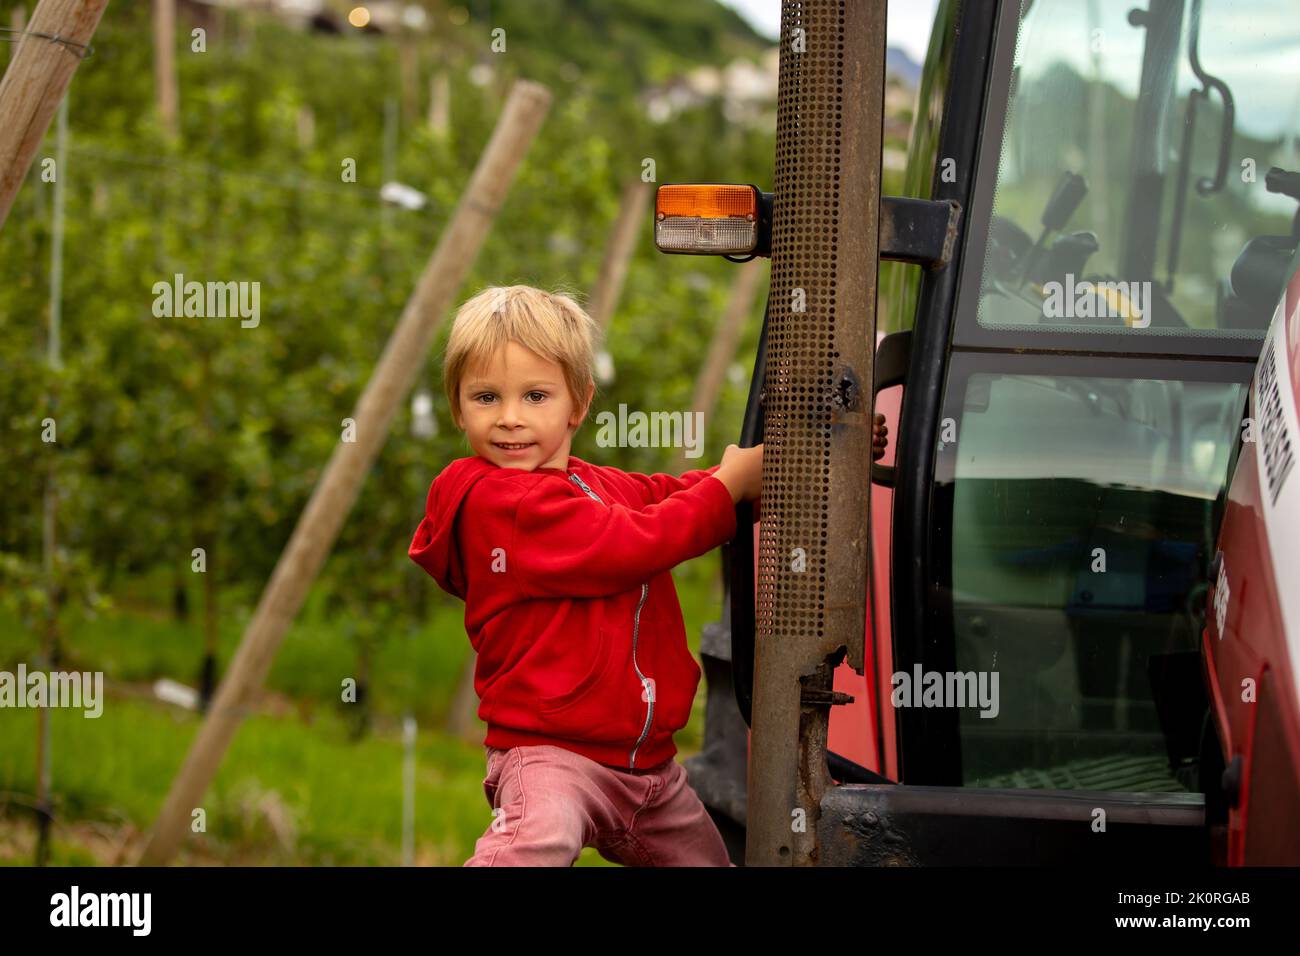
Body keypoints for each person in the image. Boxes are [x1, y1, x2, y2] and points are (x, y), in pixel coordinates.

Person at [408, 285, 886, 866]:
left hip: (649, 771)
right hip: (553, 755)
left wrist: (802, 460)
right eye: (486, 397)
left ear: (577, 404)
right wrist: (729, 484)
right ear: (458, 408)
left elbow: (669, 498)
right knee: (534, 846)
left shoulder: (595, 484)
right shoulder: (497, 503)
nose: (510, 418)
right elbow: (633, 543)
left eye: (535, 395)